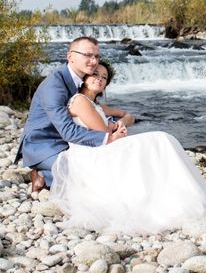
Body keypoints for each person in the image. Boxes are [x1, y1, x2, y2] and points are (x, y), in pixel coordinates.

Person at [50, 60, 206, 234]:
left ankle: (181, 199)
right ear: (84, 77)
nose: (100, 79)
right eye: (95, 74)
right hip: (93, 155)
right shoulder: (80, 101)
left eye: (104, 77)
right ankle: (185, 203)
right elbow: (102, 133)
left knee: (162, 141)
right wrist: (115, 130)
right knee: (160, 139)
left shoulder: (95, 105)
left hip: (102, 147)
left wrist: (120, 124)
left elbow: (126, 116)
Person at [16, 36, 127, 192]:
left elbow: (90, 110)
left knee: (105, 164)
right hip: (43, 142)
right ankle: (41, 173)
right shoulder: (54, 85)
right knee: (80, 177)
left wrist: (113, 123)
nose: (94, 61)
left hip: (66, 139)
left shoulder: (82, 80)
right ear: (70, 57)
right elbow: (68, 130)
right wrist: (108, 138)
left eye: (96, 56)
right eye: (88, 55)